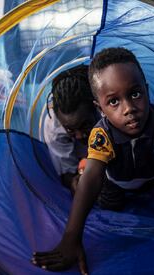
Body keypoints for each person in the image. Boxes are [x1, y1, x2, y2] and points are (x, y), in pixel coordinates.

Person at [32, 48, 154, 274]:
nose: (129, 108)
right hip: (114, 184)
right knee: (109, 201)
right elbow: (91, 179)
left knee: (150, 193)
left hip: (150, 178)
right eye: (113, 101)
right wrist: (72, 237)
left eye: (135, 94)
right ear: (100, 109)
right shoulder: (101, 134)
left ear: (147, 91)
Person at [43, 64, 99, 195]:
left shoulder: (108, 109)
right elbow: (67, 172)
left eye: (85, 125)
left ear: (96, 107)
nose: (79, 136)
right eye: (70, 129)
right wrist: (75, 182)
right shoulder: (54, 126)